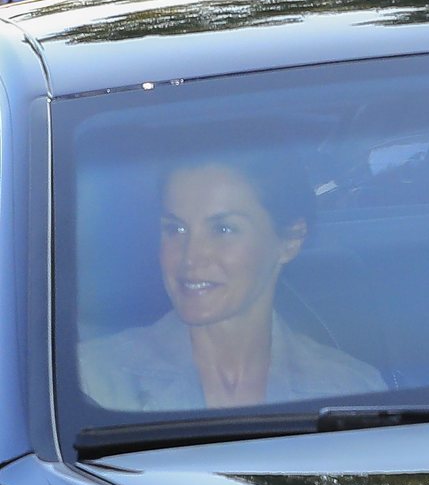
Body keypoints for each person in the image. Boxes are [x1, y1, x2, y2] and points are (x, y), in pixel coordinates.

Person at [80, 147, 386, 410]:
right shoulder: (90, 379)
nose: (190, 257)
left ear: (290, 240)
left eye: (223, 229)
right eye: (175, 229)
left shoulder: (351, 390)